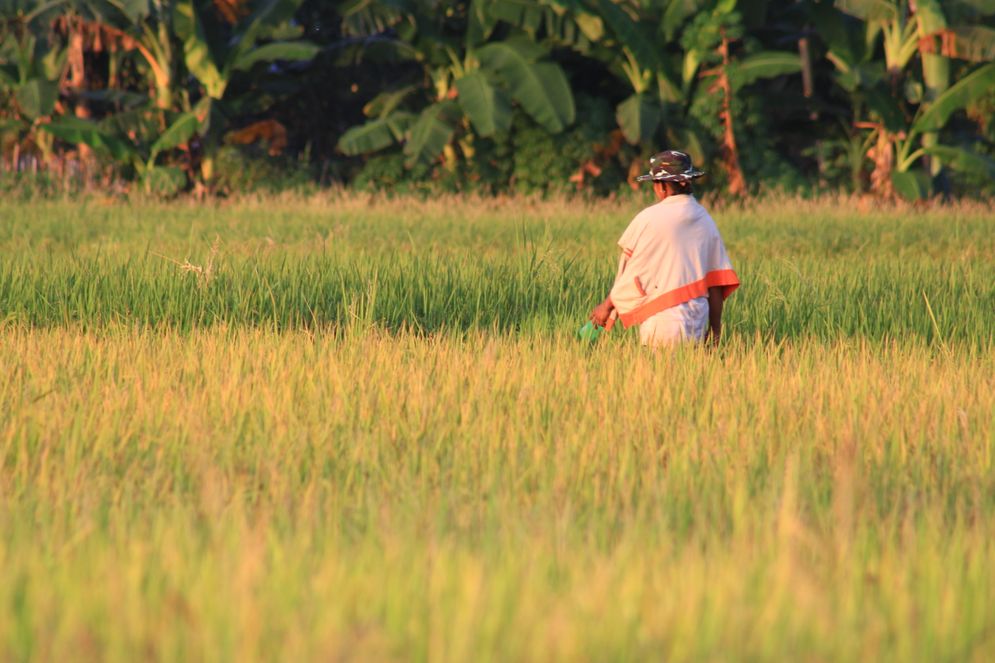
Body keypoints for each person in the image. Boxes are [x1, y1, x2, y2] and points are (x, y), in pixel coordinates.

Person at [589, 150, 739, 347]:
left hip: (662, 321)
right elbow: (716, 283)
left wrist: (607, 306)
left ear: (661, 186)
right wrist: (715, 332)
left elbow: (633, 271)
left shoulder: (649, 218)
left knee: (656, 376)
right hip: (697, 321)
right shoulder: (705, 221)